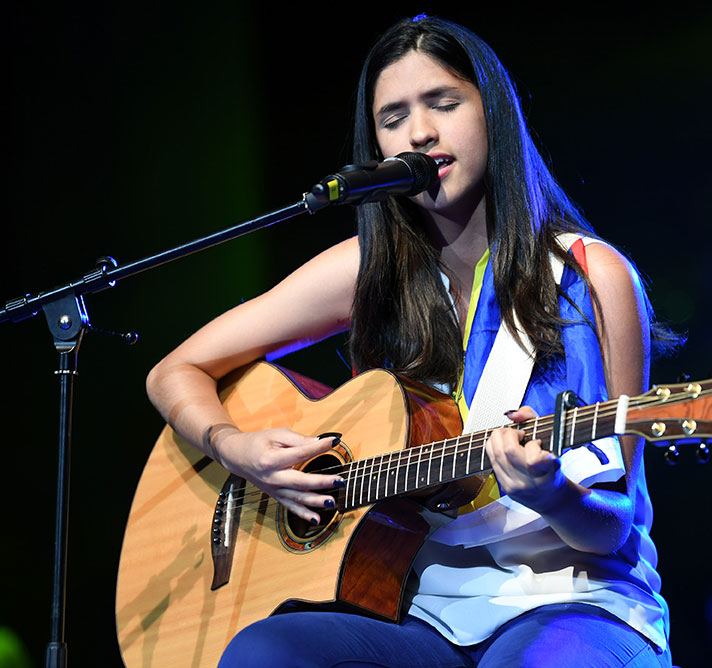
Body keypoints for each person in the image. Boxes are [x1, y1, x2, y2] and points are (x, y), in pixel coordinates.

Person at [146, 14, 676, 668]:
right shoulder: (369, 269)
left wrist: (553, 495)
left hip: (578, 603)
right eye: (393, 117)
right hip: (422, 617)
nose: (419, 132)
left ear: (493, 115)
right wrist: (237, 449)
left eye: (444, 104)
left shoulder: (591, 276)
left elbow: (612, 528)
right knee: (266, 652)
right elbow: (177, 370)